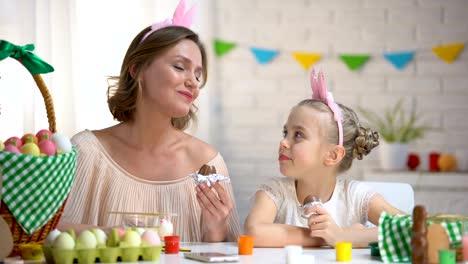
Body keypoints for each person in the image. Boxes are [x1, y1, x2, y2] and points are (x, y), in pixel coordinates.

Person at [58, 0, 241, 242]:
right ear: (137, 70)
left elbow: (230, 256)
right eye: (179, 67)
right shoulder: (87, 151)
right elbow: (46, 234)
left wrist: (215, 231)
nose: (194, 82)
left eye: (198, 74)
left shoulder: (208, 164)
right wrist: (118, 236)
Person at [244, 68, 405, 248]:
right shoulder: (276, 192)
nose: (283, 142)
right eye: (285, 132)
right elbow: (253, 232)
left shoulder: (355, 197)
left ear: (333, 155)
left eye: (298, 135)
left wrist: (344, 236)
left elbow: (411, 228)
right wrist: (325, 237)